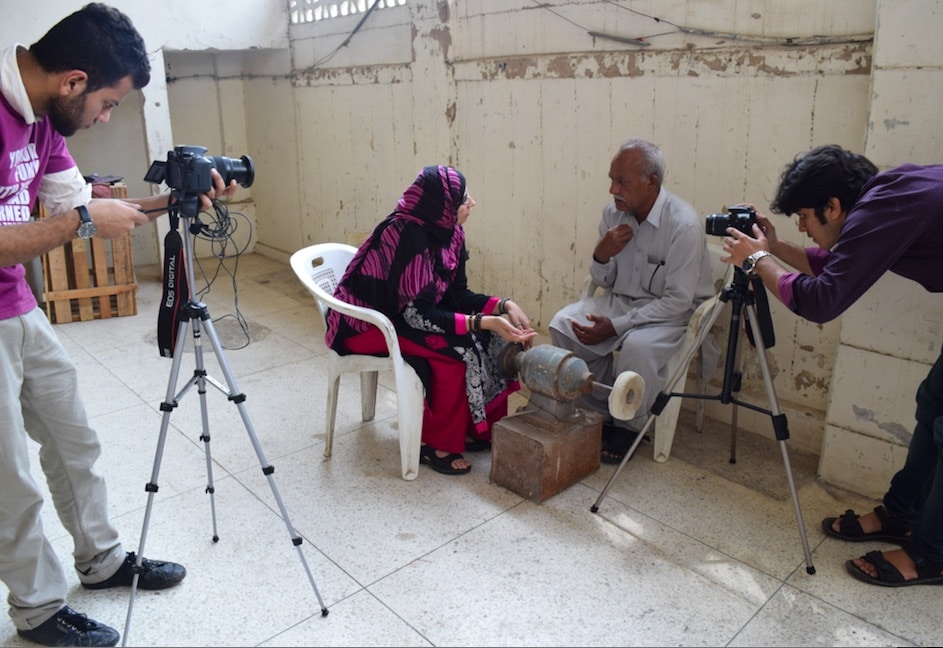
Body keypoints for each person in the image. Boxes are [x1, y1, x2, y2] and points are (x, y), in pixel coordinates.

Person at [0, 4, 237, 646]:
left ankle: (101, 563)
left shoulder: (40, 120)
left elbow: (81, 206)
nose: (106, 118)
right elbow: (77, 221)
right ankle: (39, 610)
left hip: (16, 304)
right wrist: (80, 223)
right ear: (73, 80)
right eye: (107, 104)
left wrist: (177, 198)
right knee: (9, 477)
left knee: (73, 439)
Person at [720, 143, 943, 587]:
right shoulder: (886, 200)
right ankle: (902, 514)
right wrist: (774, 247)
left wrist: (757, 259)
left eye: (803, 217)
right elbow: (832, 266)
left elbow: (821, 301)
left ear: (834, 206)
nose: (802, 226)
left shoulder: (881, 209)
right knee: (933, 404)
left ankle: (932, 555)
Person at [325, 165, 538, 475]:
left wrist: (503, 306)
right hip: (364, 324)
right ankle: (435, 444)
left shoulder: (450, 232)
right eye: (464, 199)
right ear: (443, 206)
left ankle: (475, 428)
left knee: (490, 338)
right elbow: (417, 315)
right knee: (455, 352)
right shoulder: (405, 235)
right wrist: (483, 321)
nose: (472, 203)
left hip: (404, 315)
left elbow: (456, 295)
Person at [549, 138, 715, 464]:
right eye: (611, 179)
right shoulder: (613, 215)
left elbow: (679, 300)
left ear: (650, 181)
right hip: (621, 301)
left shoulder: (683, 224)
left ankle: (628, 426)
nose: (613, 189)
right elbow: (605, 281)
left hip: (673, 314)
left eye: (621, 181)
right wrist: (601, 254)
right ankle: (608, 409)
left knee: (637, 347)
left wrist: (616, 326)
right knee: (564, 325)